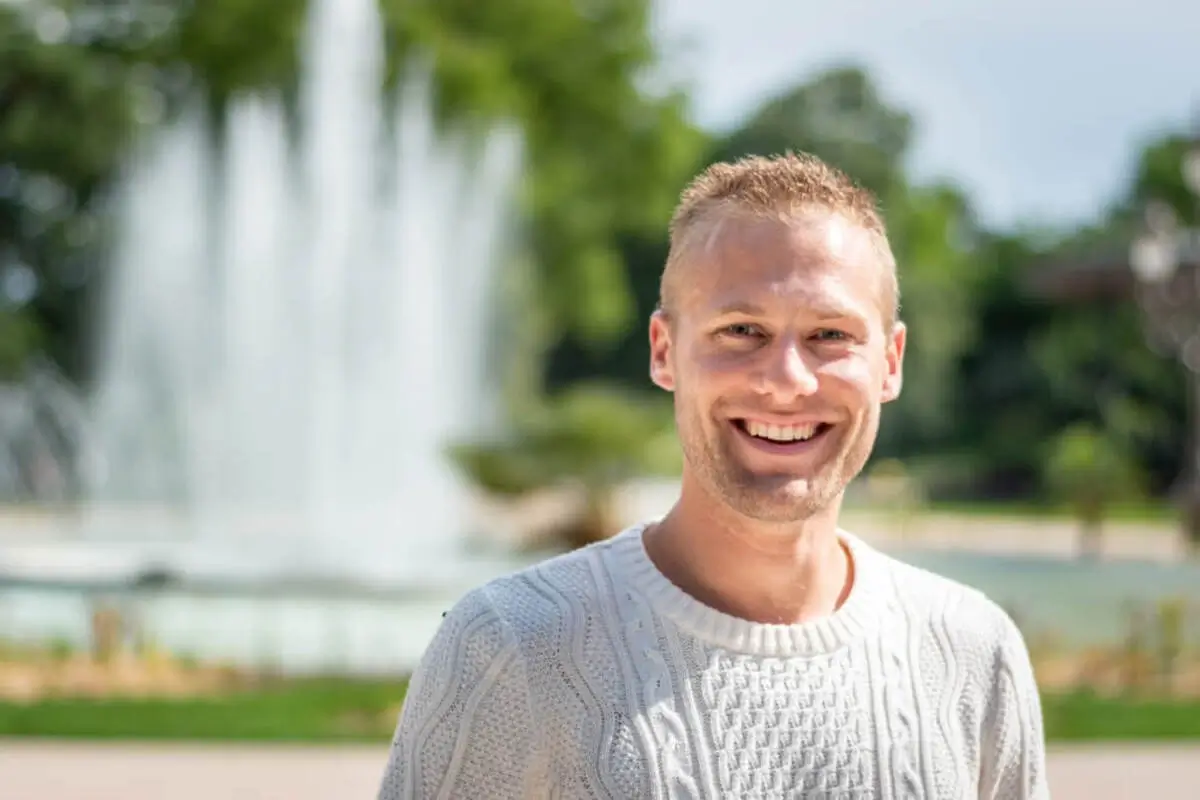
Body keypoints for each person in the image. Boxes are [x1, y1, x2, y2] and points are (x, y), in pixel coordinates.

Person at [377, 152, 1049, 799]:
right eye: (741, 330)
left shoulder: (973, 651)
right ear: (665, 351)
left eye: (830, 335)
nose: (787, 380)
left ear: (891, 362)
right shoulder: (513, 646)